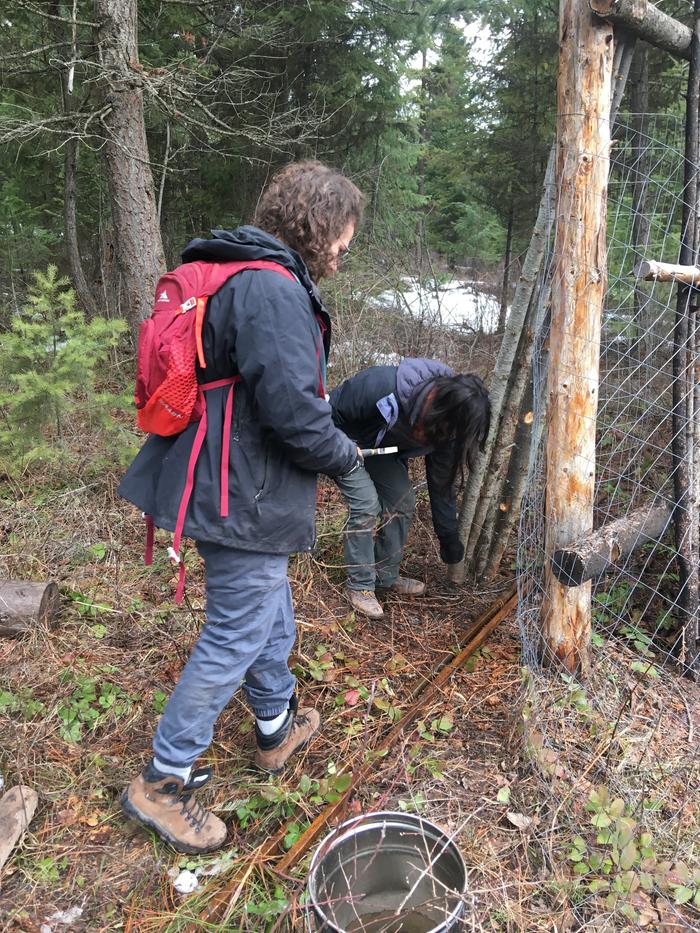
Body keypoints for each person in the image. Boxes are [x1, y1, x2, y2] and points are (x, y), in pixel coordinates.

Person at [117, 161, 364, 853]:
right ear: (319, 224)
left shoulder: (245, 274)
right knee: (235, 629)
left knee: (266, 609)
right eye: (343, 234)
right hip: (243, 492)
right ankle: (163, 781)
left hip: (233, 482)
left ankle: (275, 726)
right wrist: (347, 459)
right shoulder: (270, 287)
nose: (345, 248)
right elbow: (294, 410)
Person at [329, 359, 491, 619]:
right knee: (367, 503)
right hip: (338, 440)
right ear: (440, 405)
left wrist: (448, 538)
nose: (450, 436)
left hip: (377, 451)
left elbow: (441, 486)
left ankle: (384, 577)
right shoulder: (380, 387)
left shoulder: (448, 429)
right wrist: (343, 447)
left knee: (402, 502)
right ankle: (360, 585)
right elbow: (326, 413)